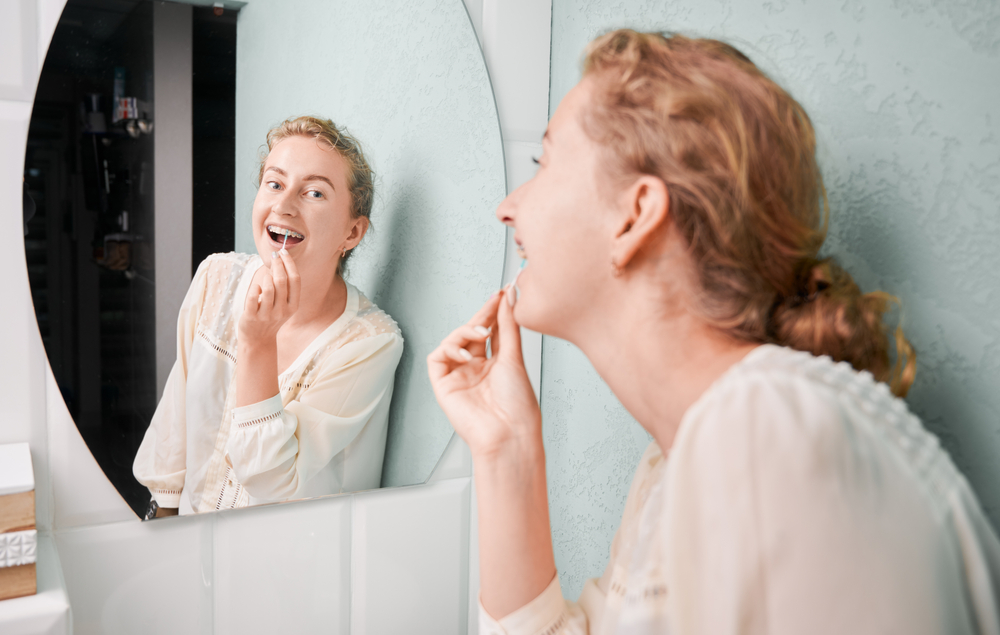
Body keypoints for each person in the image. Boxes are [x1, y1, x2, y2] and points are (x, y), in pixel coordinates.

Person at [428, 30, 1000, 634]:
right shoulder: (677, 468)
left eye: (543, 163)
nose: (507, 206)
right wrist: (506, 449)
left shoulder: (769, 431)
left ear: (635, 215)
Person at [134, 116, 403, 516]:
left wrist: (258, 343)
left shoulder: (368, 344)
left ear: (352, 233)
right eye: (274, 184)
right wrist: (163, 522)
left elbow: (271, 482)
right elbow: (175, 425)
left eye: (313, 193)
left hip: (289, 571)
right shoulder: (216, 278)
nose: (283, 204)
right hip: (189, 549)